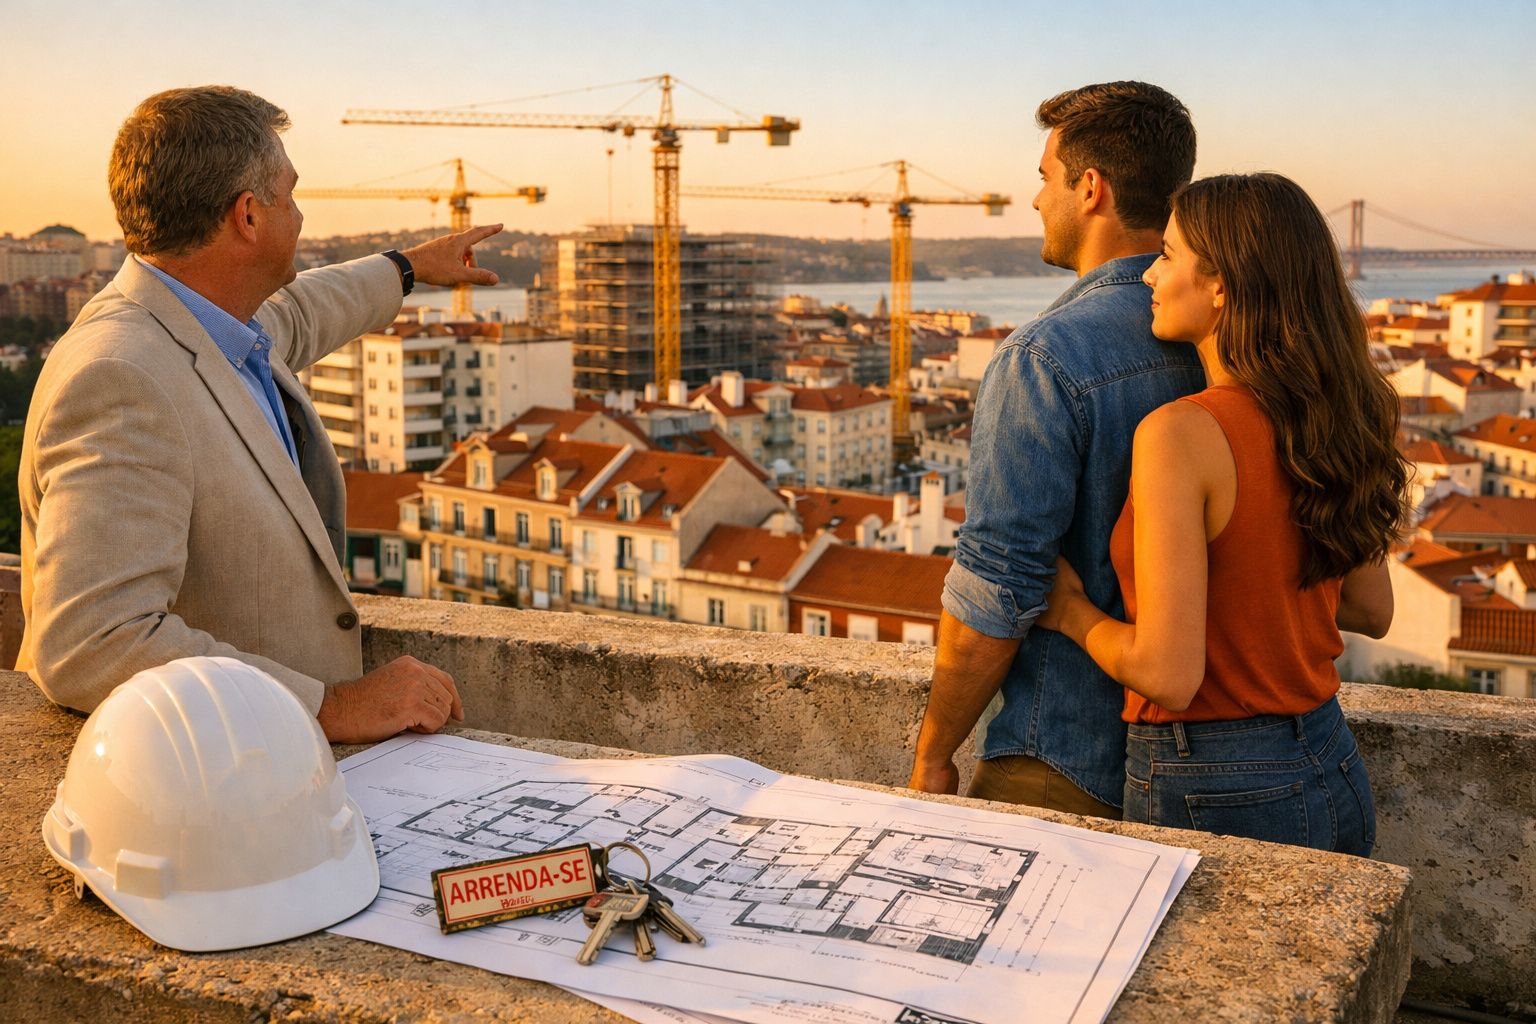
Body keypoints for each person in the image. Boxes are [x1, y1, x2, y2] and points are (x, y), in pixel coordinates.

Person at [18, 85, 499, 742]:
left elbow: (306, 310)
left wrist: (410, 268)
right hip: (208, 797)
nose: (300, 216)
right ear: (248, 216)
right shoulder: (122, 376)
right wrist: (335, 706)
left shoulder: (208, 321)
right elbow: (94, 640)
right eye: (290, 196)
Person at [1036, 173, 1407, 855]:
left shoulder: (1180, 434)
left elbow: (1168, 676)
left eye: (1169, 254)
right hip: (1331, 760)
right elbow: (1369, 610)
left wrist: (1069, 612)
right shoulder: (1337, 414)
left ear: (1222, 286)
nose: (1150, 273)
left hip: (1213, 780)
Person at [908, 82, 1204, 816]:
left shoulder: (1044, 358)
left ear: (1091, 188)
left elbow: (997, 593)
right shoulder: (1235, 339)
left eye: (1046, 178)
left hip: (1069, 758)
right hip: (1226, 753)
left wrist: (934, 752)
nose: (1037, 199)